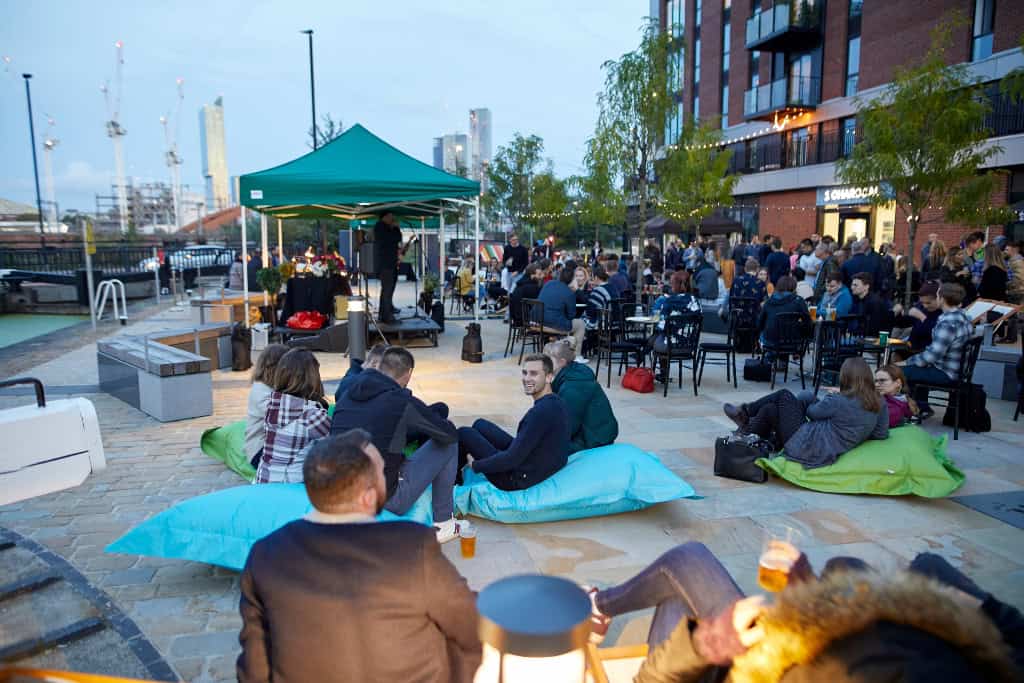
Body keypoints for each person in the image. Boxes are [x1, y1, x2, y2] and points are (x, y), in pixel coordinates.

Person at [586, 541, 1024, 683]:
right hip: (941, 644)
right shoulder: (975, 658)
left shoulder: (858, 668)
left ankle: (597, 608)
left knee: (686, 562)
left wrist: (710, 642)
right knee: (848, 566)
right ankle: (600, 607)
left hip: (740, 664)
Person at [238, 430, 481, 683]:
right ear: (368, 497)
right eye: (382, 473)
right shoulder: (411, 545)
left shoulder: (264, 554)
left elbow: (253, 669)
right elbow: (469, 622)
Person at [330, 347, 462, 542]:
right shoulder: (400, 401)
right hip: (380, 499)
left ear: (381, 367)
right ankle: (444, 523)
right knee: (450, 444)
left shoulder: (347, 394)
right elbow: (448, 435)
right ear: (408, 374)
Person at [724, 357, 888, 467]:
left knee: (785, 395)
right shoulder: (879, 403)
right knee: (770, 409)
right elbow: (880, 434)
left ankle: (745, 412)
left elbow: (813, 413)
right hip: (821, 448)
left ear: (845, 378)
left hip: (806, 445)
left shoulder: (839, 400)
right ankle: (747, 432)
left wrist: (817, 399)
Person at [457, 354, 570, 490]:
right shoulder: (556, 402)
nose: (527, 378)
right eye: (525, 373)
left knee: (464, 433)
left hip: (516, 477)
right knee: (479, 424)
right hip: (533, 460)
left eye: (534, 374)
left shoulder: (539, 413)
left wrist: (476, 465)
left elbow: (512, 459)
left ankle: (452, 482)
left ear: (549, 377)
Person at [255, 349, 332, 484]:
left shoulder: (272, 406)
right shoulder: (313, 417)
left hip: (262, 481)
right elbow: (336, 449)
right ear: (314, 378)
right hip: (289, 489)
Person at [901, 283, 975, 420]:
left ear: (941, 298)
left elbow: (931, 356)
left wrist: (906, 362)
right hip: (957, 370)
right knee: (916, 368)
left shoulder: (948, 323)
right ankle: (920, 407)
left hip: (946, 373)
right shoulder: (965, 317)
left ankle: (911, 411)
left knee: (900, 372)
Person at [543, 339, 618, 453]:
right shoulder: (573, 373)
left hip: (595, 440)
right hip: (594, 433)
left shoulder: (572, 388)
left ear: (562, 362)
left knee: (543, 449)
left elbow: (568, 427)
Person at [245, 344, 290, 469]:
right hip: (260, 450)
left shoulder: (274, 387)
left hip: (274, 443)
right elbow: (282, 416)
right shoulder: (261, 390)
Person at [538, 265, 587, 362]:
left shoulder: (549, 283)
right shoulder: (569, 293)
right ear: (572, 279)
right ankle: (576, 355)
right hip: (551, 323)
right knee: (580, 324)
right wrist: (576, 289)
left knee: (565, 321)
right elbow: (571, 316)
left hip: (537, 320)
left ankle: (562, 347)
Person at [891, 280, 942, 353]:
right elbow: (903, 323)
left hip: (926, 352)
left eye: (928, 303)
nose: (925, 306)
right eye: (922, 302)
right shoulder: (920, 306)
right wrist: (898, 314)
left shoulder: (943, 313)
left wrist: (922, 317)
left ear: (939, 299)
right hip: (911, 347)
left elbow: (935, 334)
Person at [757, 275, 809, 346]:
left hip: (771, 340)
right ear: (794, 287)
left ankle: (770, 354)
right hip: (793, 340)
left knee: (765, 333)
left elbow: (760, 323)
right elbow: (808, 321)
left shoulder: (769, 301)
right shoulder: (799, 301)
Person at [373, 211, 402, 323]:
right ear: (384, 217)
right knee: (387, 289)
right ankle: (387, 316)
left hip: (390, 263)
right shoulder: (380, 227)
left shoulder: (386, 227)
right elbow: (395, 238)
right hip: (386, 264)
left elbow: (397, 239)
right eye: (390, 216)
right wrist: (396, 228)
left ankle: (386, 310)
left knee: (389, 289)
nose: (392, 219)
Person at [849, 272, 891, 337]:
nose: (852, 287)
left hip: (874, 341)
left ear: (866, 286)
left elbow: (874, 327)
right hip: (863, 337)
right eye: (852, 285)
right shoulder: (859, 300)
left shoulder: (874, 302)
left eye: (855, 285)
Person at [583, 265, 615, 331]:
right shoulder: (613, 287)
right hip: (615, 323)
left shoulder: (598, 290)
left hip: (602, 324)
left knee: (578, 322)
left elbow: (590, 311)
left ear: (596, 277)